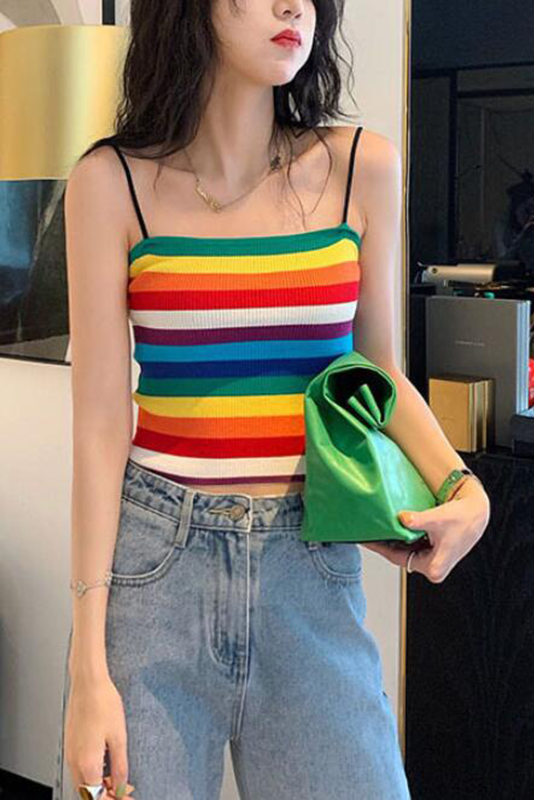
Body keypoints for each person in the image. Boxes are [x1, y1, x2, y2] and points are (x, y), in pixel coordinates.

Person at [54, 1, 491, 798]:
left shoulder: (362, 166)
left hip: (308, 565)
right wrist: (88, 670)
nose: (296, 6)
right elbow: (100, 424)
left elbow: (375, 373)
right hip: (157, 572)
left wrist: (463, 488)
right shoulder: (111, 183)